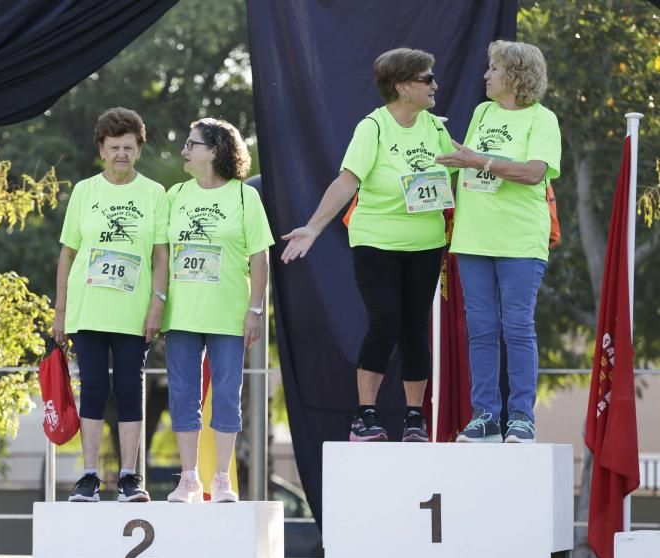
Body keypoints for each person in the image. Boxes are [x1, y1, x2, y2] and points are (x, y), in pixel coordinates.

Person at [281, 48, 455, 442]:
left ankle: (414, 417)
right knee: (386, 321)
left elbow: (458, 163)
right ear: (403, 86)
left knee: (414, 328)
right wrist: (312, 228)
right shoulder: (373, 128)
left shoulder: (435, 126)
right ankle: (366, 415)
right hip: (376, 240)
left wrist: (491, 166)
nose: (434, 85)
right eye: (427, 79)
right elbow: (347, 181)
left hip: (426, 243)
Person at [436, 40, 561, 443]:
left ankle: (521, 417)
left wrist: (480, 161)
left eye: (493, 68)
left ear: (516, 74)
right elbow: (469, 165)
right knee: (481, 328)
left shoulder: (542, 120)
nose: (486, 75)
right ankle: (485, 415)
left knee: (518, 327)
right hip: (473, 239)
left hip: (520, 241)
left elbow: (533, 172)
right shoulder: (482, 112)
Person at [52, 107, 169, 502]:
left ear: (139, 149)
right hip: (88, 309)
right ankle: (88, 475)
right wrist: (61, 311)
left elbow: (161, 256)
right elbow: (68, 255)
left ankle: (130, 477)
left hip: (133, 313)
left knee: (129, 387)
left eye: (129, 147)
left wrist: (158, 305)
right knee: (95, 388)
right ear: (101, 149)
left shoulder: (155, 194)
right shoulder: (85, 191)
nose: (122, 153)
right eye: (114, 146)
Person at [164, 118, 274, 503]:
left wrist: (255, 309)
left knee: (227, 393)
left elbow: (260, 258)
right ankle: (189, 477)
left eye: (191, 144)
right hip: (180, 315)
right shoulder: (175, 194)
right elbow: (161, 254)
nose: (184, 150)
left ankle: (221, 478)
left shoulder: (245, 198)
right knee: (182, 394)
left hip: (229, 314)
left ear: (214, 151)